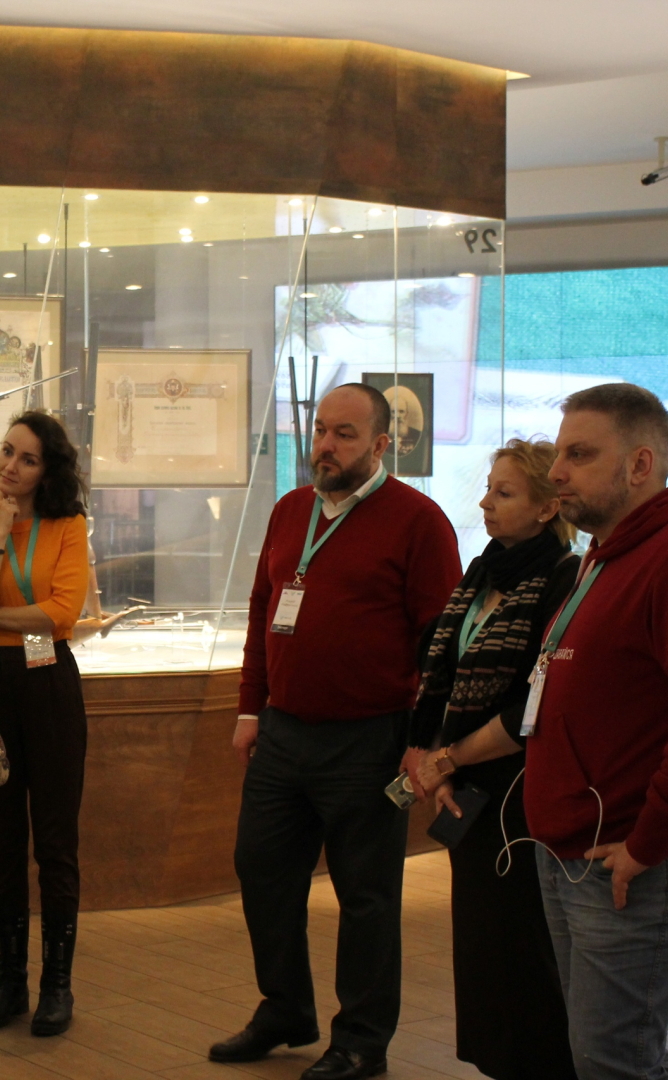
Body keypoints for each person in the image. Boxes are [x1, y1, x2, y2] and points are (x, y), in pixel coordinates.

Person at [211, 383, 460, 1080]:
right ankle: (285, 1008)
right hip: (283, 734)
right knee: (261, 870)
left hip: (369, 740)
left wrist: (424, 741)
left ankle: (361, 1040)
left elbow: (441, 645)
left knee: (366, 895)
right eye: (320, 430)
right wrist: (250, 708)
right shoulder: (291, 510)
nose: (325, 445)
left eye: (344, 434)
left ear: (382, 444)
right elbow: (263, 610)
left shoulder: (418, 521)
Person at [522, 384, 668, 1080]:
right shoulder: (605, 553)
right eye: (559, 453)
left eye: (579, 455)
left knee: (616, 1060)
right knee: (601, 1055)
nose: (556, 471)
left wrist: (651, 838)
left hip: (641, 858)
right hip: (576, 847)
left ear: (640, 464)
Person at [406, 439, 580, 1080]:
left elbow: (533, 703)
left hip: (518, 787)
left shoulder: (562, 578)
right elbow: (443, 675)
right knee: (483, 945)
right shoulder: (481, 574)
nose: (485, 503)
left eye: (504, 493)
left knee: (523, 946)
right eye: (487, 488)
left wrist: (449, 759)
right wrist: (432, 754)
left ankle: (542, 1064)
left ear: (546, 507)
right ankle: (499, 1062)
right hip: (467, 784)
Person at [0, 411, 90, 1037]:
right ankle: (9, 980)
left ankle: (57, 984)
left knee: (55, 843)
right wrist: (1, 534)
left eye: (27, 459)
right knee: (2, 843)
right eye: (7, 451)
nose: (10, 466)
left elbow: (61, 616)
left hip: (50, 683)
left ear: (46, 471)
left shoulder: (69, 527)